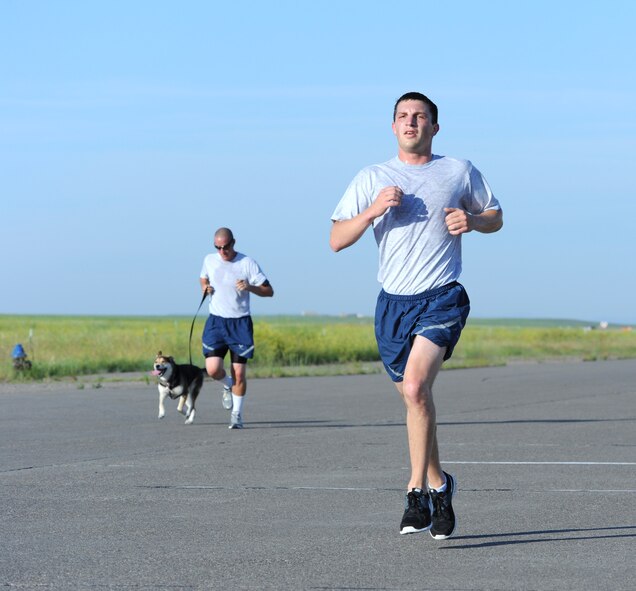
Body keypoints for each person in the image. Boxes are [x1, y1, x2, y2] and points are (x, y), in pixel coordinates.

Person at [329, 92, 503, 538]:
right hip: (392, 306)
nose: (411, 122)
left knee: (414, 386)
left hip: (441, 297)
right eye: (403, 116)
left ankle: (414, 492)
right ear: (393, 127)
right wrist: (372, 211)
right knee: (415, 399)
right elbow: (335, 239)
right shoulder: (372, 177)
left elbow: (495, 215)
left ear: (434, 127)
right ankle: (440, 486)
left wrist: (473, 220)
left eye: (420, 116)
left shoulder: (458, 170)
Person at [200, 227, 274, 429]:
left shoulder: (247, 263)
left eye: (225, 247)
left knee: (239, 373)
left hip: (239, 323)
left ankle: (236, 415)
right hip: (216, 321)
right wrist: (204, 287)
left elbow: (269, 291)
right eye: (218, 247)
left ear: (234, 243)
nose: (222, 251)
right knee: (213, 369)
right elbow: (203, 277)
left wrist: (250, 287)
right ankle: (228, 385)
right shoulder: (209, 259)